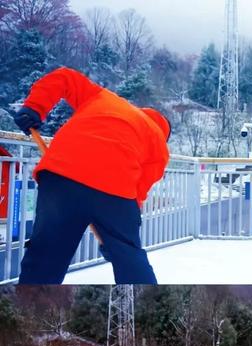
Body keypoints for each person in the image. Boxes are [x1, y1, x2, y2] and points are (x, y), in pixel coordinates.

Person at [13, 67, 171, 284]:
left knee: (45, 257)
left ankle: (30, 307)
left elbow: (65, 77)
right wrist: (116, 242)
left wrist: (34, 107)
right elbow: (137, 195)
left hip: (61, 176)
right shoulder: (159, 144)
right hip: (115, 189)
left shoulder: (104, 98)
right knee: (130, 258)